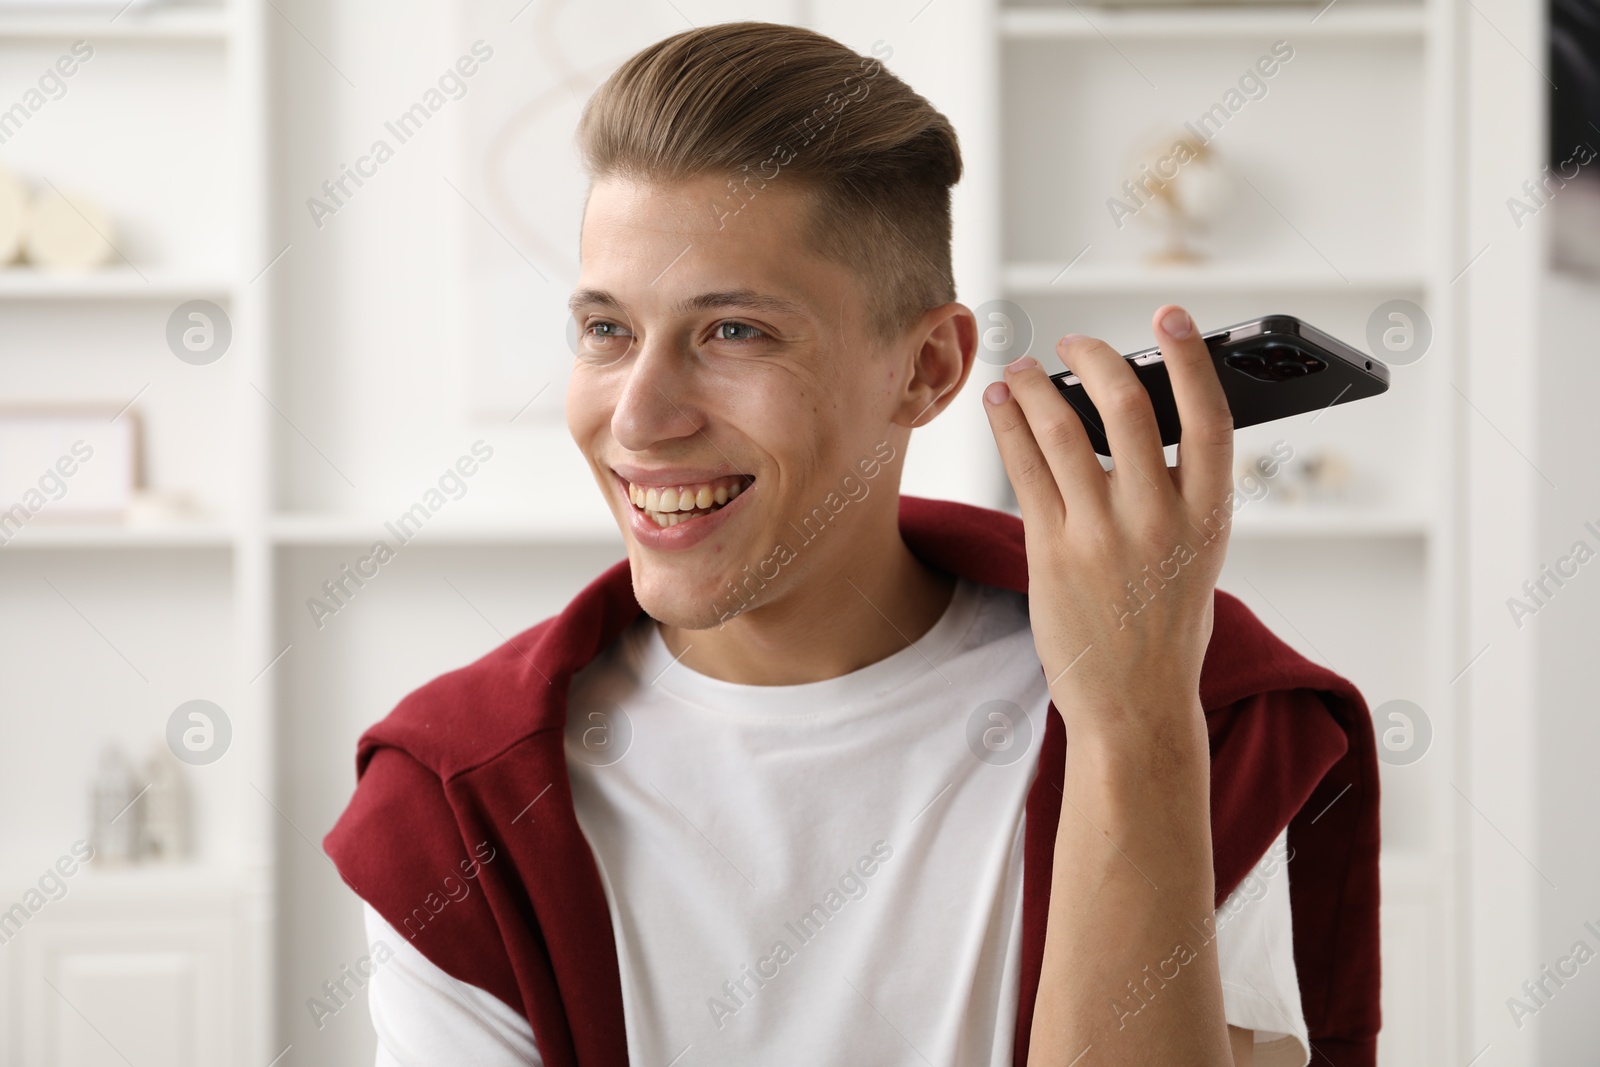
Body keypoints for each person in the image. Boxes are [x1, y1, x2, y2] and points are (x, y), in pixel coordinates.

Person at [325, 20, 1381, 1067]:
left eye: (733, 330)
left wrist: (1132, 729)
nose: (639, 419)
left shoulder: (1205, 711)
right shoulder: (458, 800)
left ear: (925, 367)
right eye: (607, 330)